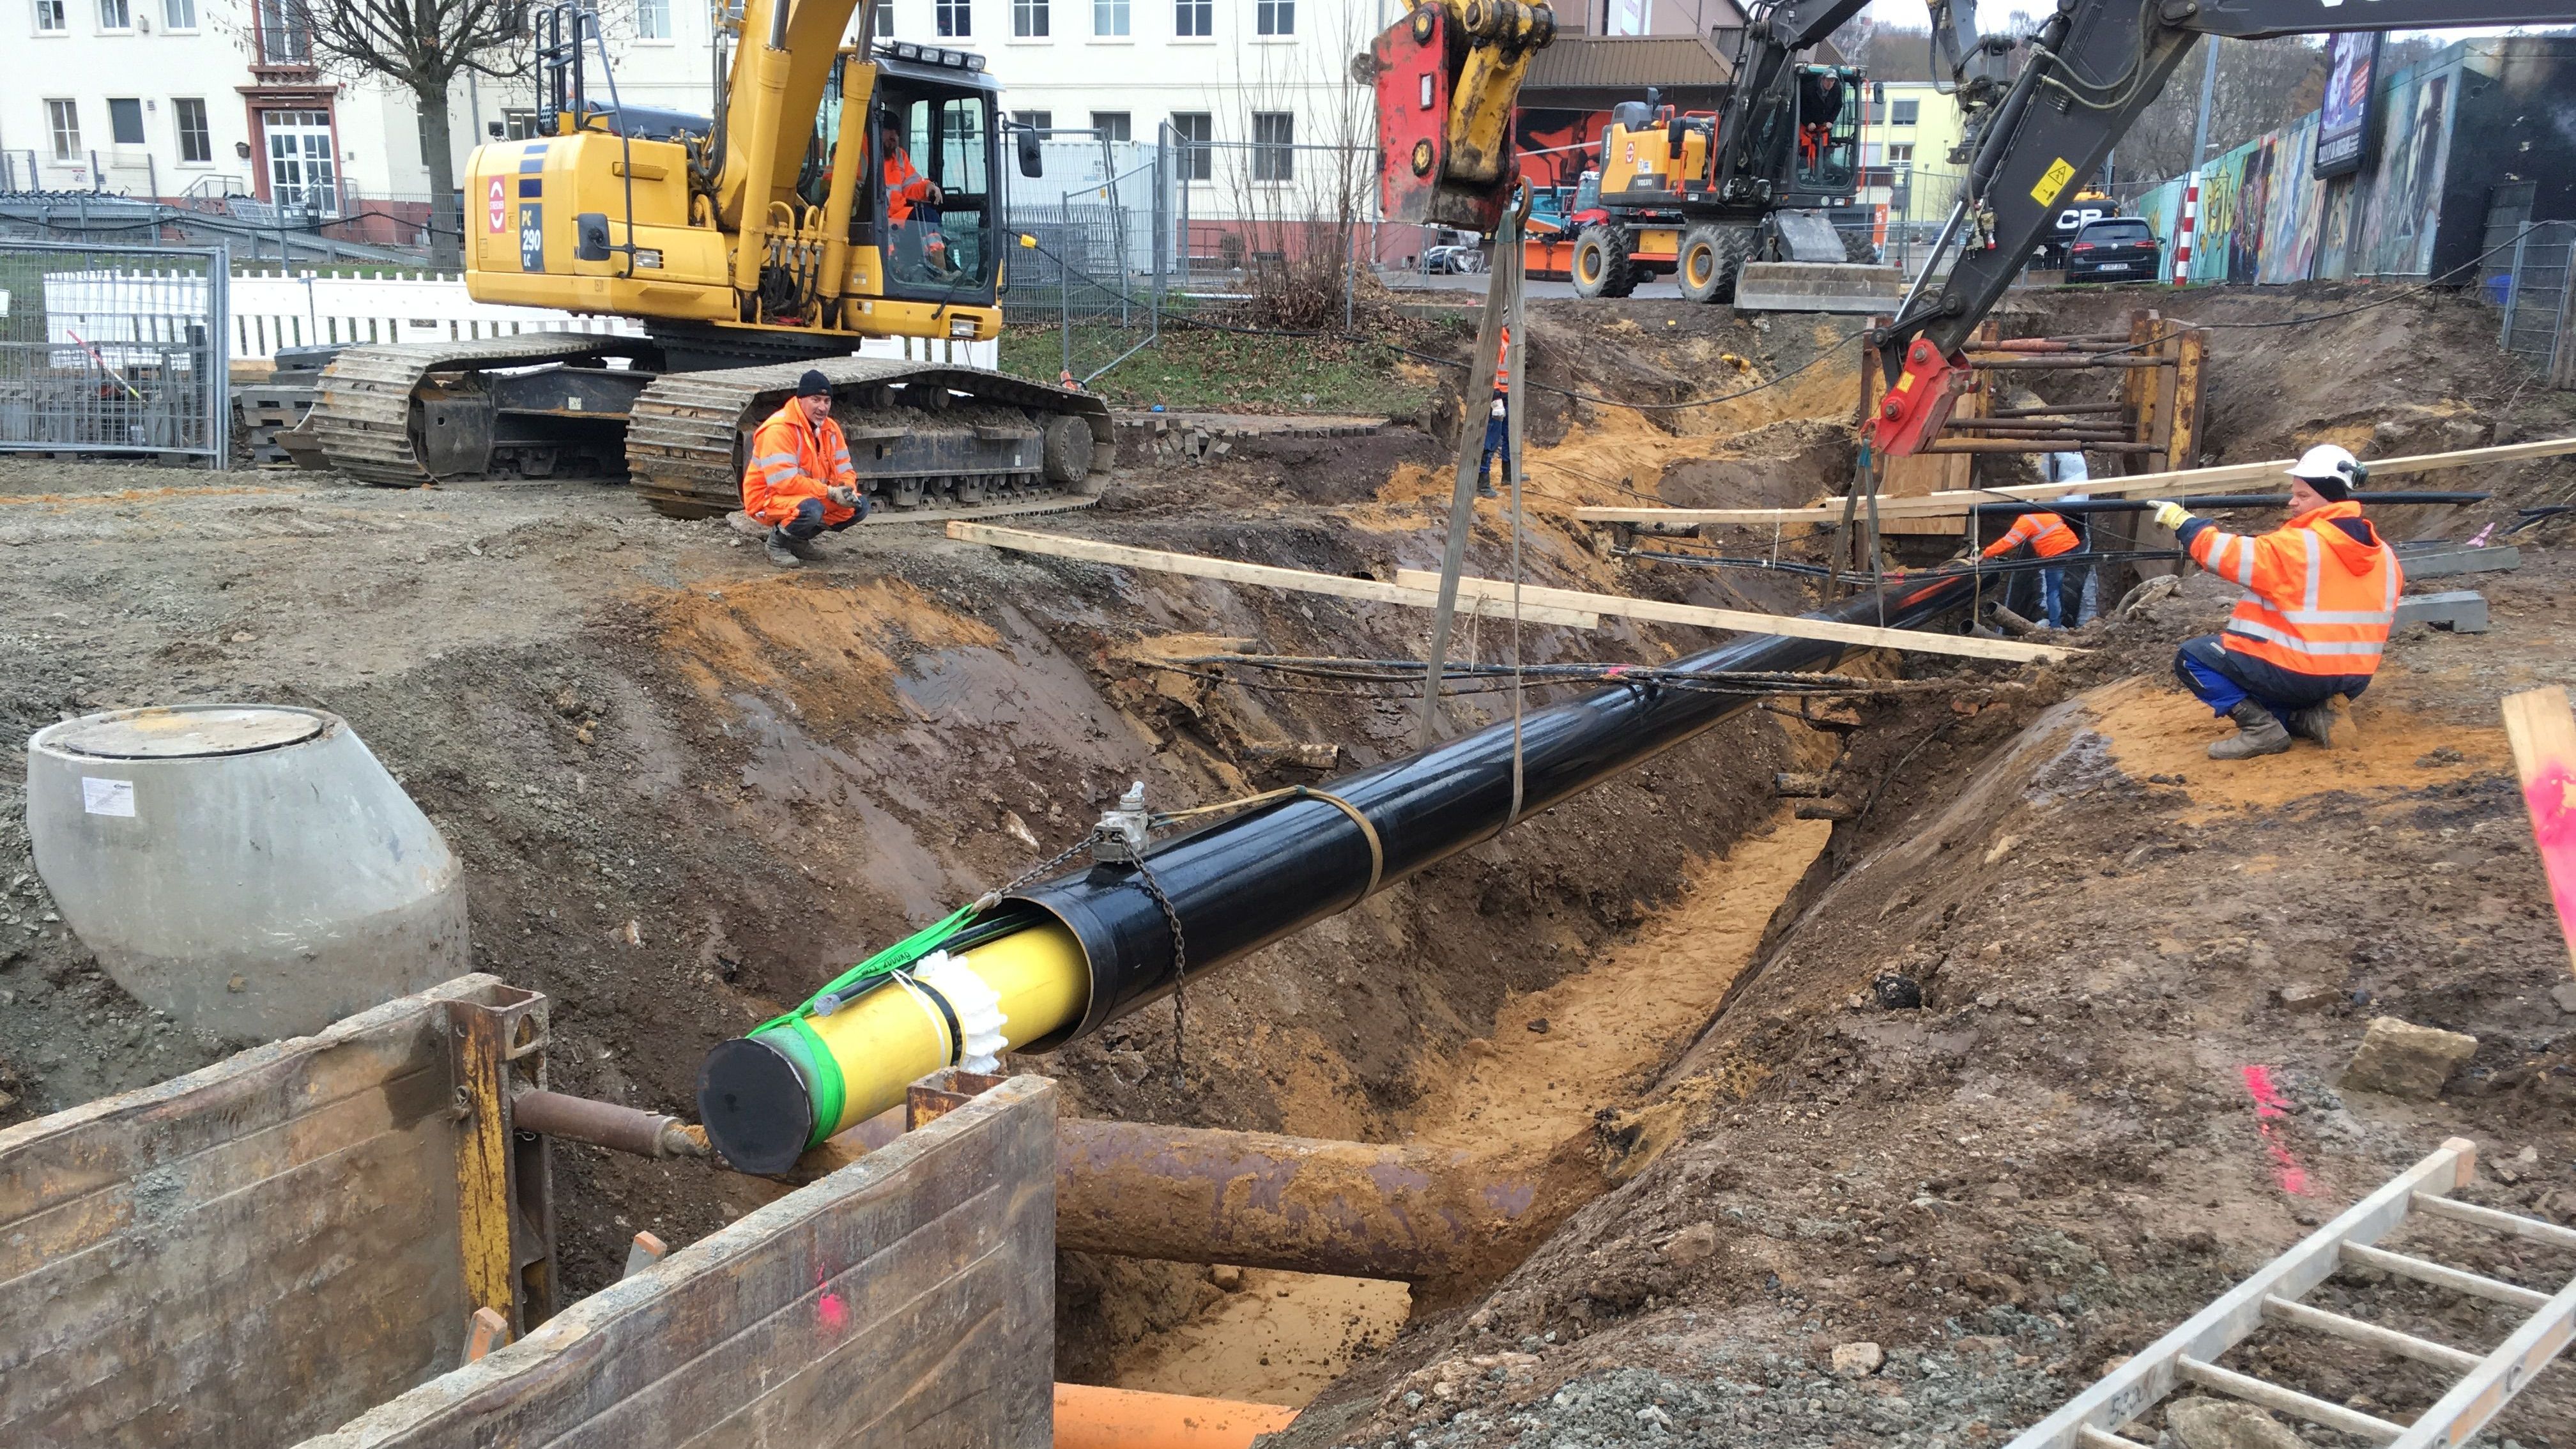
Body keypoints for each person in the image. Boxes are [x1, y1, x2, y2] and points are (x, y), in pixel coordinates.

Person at [2157, 443, 2400, 760]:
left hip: (2298, 675)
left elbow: (2226, 555)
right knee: (2280, 675)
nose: (2292, 502)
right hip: (2354, 679)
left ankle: (2262, 730)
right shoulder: (2384, 556)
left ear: (2328, 496)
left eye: (2303, 495)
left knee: (2193, 657)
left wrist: (2187, 525)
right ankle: (2312, 716)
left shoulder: (2300, 546)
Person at [741, 370, 868, 568]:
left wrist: (846, 488)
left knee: (858, 507)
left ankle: (798, 541)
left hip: (806, 494)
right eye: (816, 400)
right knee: (811, 509)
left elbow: (845, 468)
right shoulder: (779, 429)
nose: (822, 407)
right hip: (767, 498)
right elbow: (784, 483)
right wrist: (830, 492)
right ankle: (777, 545)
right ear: (800, 400)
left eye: (827, 401)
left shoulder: (830, 429)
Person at [1981, 502, 2083, 627]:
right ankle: (2061, 616)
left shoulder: (2026, 521)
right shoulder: (2045, 511)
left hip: (2056, 553)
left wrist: (1985, 554)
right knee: (2058, 586)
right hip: (2072, 546)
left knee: (2053, 590)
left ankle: (2055, 626)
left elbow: (2009, 542)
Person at [880, 114, 949, 280]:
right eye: (889, 131)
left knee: (929, 217)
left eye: (897, 133)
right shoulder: (857, 153)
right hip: (873, 216)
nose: (894, 137)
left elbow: (911, 185)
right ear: (876, 129)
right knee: (879, 229)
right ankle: (891, 273)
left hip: (897, 216)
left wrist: (928, 187)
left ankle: (941, 272)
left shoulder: (899, 156)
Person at [1478, 324, 1512, 500]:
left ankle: (1509, 474)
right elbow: (1490, 372)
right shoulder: (1497, 341)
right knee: (1492, 438)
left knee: (1508, 433)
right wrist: (1496, 398)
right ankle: (1482, 482)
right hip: (1496, 394)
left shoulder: (1507, 339)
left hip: (1505, 393)